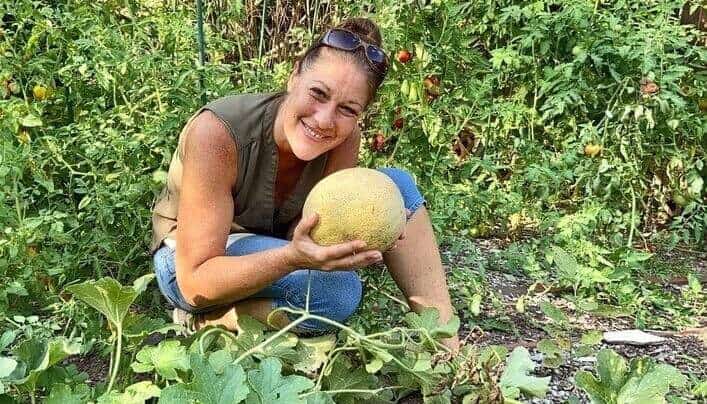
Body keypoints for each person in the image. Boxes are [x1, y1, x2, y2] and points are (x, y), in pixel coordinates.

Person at [150, 17, 459, 350]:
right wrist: (292, 259)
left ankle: (446, 348)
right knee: (338, 291)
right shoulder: (217, 133)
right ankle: (207, 322)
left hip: (270, 247)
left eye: (347, 109)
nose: (324, 120)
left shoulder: (345, 138)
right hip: (191, 266)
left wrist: (374, 229)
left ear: (362, 114)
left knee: (397, 188)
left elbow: (314, 231)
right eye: (318, 93)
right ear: (294, 75)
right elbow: (195, 281)